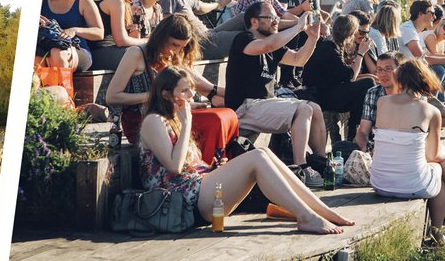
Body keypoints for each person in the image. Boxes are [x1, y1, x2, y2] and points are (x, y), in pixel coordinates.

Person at [139, 67, 354, 234]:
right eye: (184, 91)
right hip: (182, 203)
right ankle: (306, 217)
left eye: (191, 90)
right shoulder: (153, 121)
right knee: (257, 156)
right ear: (166, 95)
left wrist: (215, 168)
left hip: (198, 188)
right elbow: (174, 167)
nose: (191, 96)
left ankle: (321, 210)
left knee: (267, 154)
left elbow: (189, 165)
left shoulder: (174, 118)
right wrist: (187, 124)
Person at [225, 1, 327, 187]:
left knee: (315, 108)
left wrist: (312, 37)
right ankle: (300, 168)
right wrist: (297, 27)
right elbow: (266, 46)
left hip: (264, 104)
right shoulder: (243, 39)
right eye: (271, 17)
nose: (275, 22)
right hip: (245, 107)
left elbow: (298, 60)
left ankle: (321, 165)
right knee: (303, 109)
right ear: (254, 22)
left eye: (276, 18)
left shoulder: (273, 44)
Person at [105, 13, 230, 149]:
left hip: (171, 115)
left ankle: (213, 162)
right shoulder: (136, 54)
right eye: (174, 44)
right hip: (144, 122)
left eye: (181, 47)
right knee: (214, 121)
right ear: (161, 38)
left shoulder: (174, 55)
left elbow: (190, 83)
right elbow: (112, 97)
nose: (176, 51)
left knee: (224, 116)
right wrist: (155, 97)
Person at [369, 60, 445, 242]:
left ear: (400, 80)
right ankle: (437, 231)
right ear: (426, 80)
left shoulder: (382, 102)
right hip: (413, 185)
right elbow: (432, 156)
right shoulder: (431, 111)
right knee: (440, 168)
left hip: (379, 183)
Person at [302, 14, 376, 144]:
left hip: (325, 92)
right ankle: (353, 132)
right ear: (350, 34)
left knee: (367, 85)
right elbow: (350, 76)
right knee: (368, 83)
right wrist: (361, 53)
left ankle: (353, 130)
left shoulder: (331, 45)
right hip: (319, 96)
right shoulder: (329, 49)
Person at [38, 0, 103, 72]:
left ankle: (62, 88)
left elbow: (99, 33)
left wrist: (74, 30)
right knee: (36, 57)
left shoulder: (83, 0)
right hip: (46, 44)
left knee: (58, 53)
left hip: (77, 48)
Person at [89, 0, 146, 70]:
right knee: (144, 55)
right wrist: (145, 41)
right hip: (101, 52)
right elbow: (121, 40)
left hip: (101, 50)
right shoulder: (116, 0)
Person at [275, 0, 321, 88]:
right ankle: (286, 78)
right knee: (295, 31)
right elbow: (281, 14)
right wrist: (301, 9)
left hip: (303, 30)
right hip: (283, 29)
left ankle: (300, 75)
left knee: (317, 37)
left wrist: (322, 27)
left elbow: (316, 18)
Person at [355, 51, 407, 153]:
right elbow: (363, 131)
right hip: (377, 147)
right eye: (379, 70)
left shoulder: (410, 94)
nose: (383, 74)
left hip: (404, 146)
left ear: (400, 70)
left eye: (388, 69)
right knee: (341, 147)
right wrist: (365, 149)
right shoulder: (373, 93)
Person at [347, 10, 378, 77]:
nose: (365, 36)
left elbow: (375, 74)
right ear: (351, 29)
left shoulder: (367, 43)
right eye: (362, 32)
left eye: (367, 32)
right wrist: (364, 76)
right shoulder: (339, 44)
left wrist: (365, 51)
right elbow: (344, 76)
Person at [421, 18, 445, 102]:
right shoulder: (430, 35)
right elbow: (433, 56)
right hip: (419, 65)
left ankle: (441, 99)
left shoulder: (442, 42)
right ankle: (433, 99)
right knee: (440, 68)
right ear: (439, 25)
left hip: (427, 66)